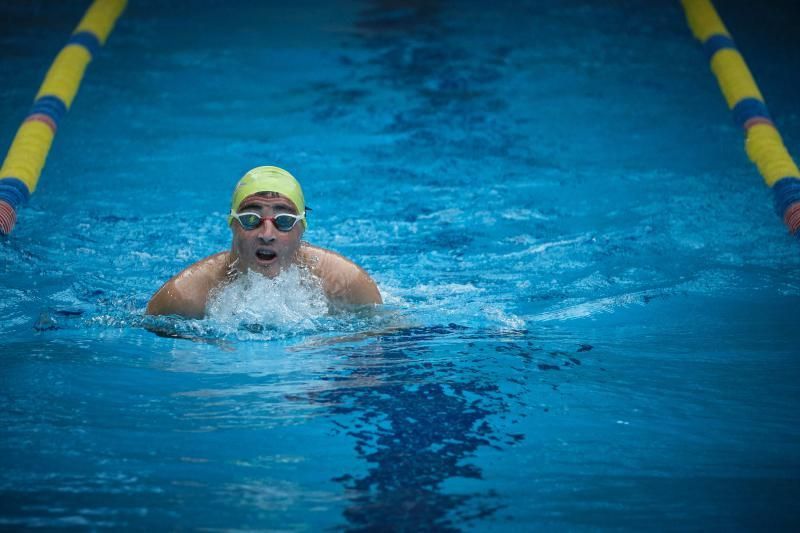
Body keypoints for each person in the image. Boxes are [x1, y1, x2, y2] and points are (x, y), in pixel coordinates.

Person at [146, 166, 382, 318]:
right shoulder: (185, 297)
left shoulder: (347, 284)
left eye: (284, 220)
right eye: (251, 219)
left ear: (302, 228)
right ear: (233, 224)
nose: (267, 233)